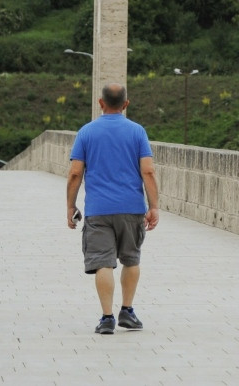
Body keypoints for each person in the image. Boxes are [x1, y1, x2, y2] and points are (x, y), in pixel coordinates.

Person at [66, 84, 159, 335]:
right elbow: (148, 171)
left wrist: (70, 206)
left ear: (100, 103)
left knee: (103, 263)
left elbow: (75, 173)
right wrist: (154, 207)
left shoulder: (86, 132)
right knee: (131, 259)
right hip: (132, 209)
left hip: (98, 211)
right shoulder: (137, 132)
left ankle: (107, 318)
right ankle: (127, 311)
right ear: (126, 104)